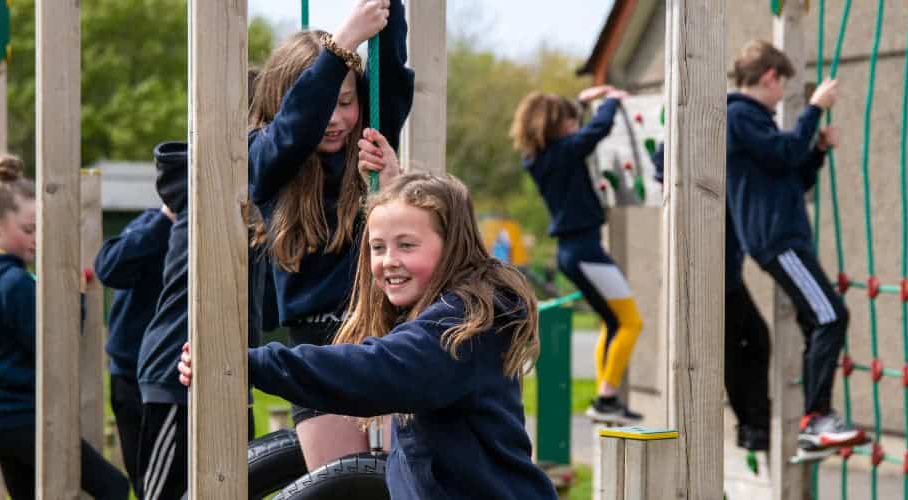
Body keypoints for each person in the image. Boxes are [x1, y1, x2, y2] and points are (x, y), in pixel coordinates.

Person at [180, 172, 558, 500]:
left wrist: (245, 362)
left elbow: (375, 370)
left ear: (453, 246)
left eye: (406, 245)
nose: (388, 260)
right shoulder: (435, 317)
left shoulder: (466, 325)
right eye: (378, 248)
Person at [246, 0, 414, 470]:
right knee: (340, 483)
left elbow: (390, 72)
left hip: (386, 334)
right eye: (325, 104)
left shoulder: (369, 145)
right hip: (318, 348)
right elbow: (292, 131)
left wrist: (394, 185)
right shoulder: (265, 158)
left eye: (346, 102)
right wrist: (341, 46)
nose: (336, 119)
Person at [0, 155, 129, 500]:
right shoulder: (13, 283)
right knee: (114, 487)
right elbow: (55, 344)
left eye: (40, 227)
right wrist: (78, 298)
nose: (37, 238)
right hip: (24, 415)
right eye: (28, 230)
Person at [724, 39, 865, 452]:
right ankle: (816, 419)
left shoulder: (756, 123)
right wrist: (815, 107)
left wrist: (817, 151)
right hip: (777, 239)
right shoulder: (740, 116)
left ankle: (815, 420)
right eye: (781, 85)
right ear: (770, 77)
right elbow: (785, 152)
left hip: (783, 236)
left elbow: (792, 175)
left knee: (816, 320)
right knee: (830, 317)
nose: (781, 94)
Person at [511, 85, 646, 423]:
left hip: (574, 252)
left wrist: (580, 104)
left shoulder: (540, 159)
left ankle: (606, 397)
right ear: (557, 125)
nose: (575, 126)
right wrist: (611, 102)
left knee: (613, 322)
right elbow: (594, 132)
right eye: (570, 121)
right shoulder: (564, 153)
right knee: (631, 322)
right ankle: (606, 397)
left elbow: (574, 136)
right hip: (585, 250)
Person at [651, 145, 774, 452]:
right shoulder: (707, 146)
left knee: (741, 345)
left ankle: (751, 424)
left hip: (719, 271)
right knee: (749, 343)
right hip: (715, 274)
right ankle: (752, 424)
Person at [93, 204, 174, 496]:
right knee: (146, 482)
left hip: (176, 378)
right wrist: (165, 220)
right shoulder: (152, 223)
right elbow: (108, 267)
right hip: (130, 377)